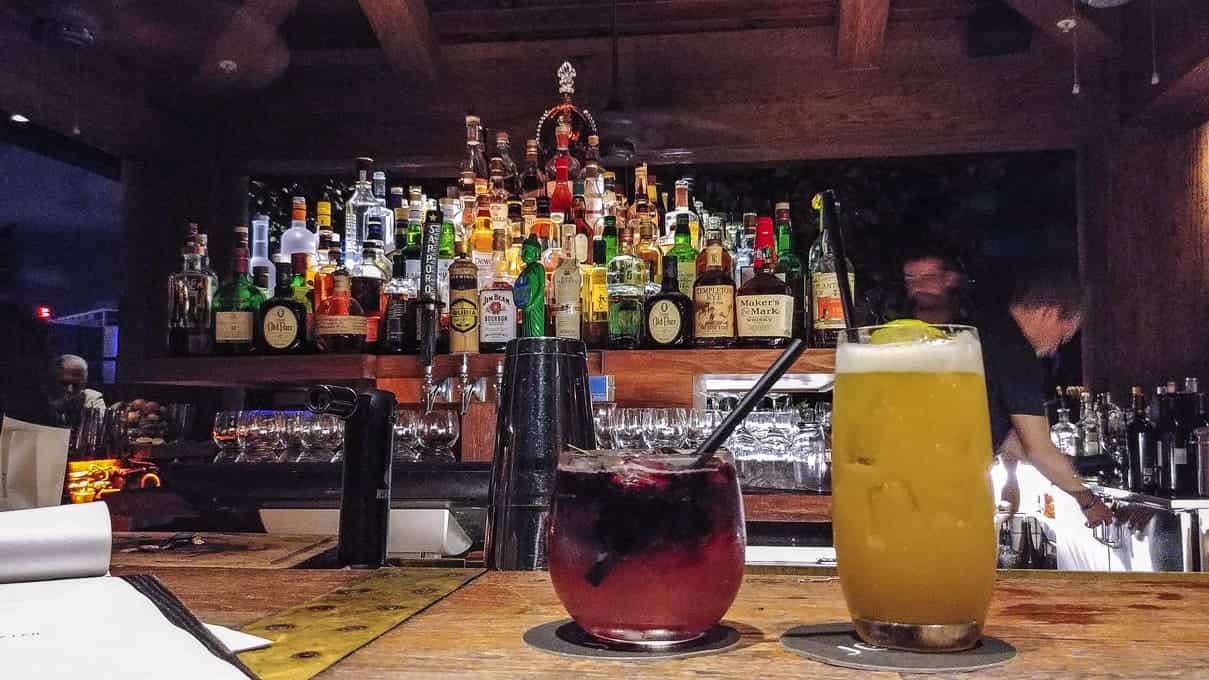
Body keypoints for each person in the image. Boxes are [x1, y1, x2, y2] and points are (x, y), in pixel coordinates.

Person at [976, 264, 1113, 527]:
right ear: (1048, 313)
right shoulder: (1017, 352)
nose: (1055, 350)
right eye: (1063, 336)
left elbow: (1007, 439)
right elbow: (1038, 449)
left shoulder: (986, 330)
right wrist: (1088, 501)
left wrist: (1064, 468)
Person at [900, 248, 969, 325]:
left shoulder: (976, 327)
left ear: (951, 278)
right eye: (910, 278)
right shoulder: (895, 326)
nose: (917, 284)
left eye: (928, 277)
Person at [41, 354, 106, 428]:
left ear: (83, 383)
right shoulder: (38, 398)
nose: (70, 390)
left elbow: (96, 429)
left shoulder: (91, 398)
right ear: (53, 380)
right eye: (64, 383)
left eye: (76, 385)